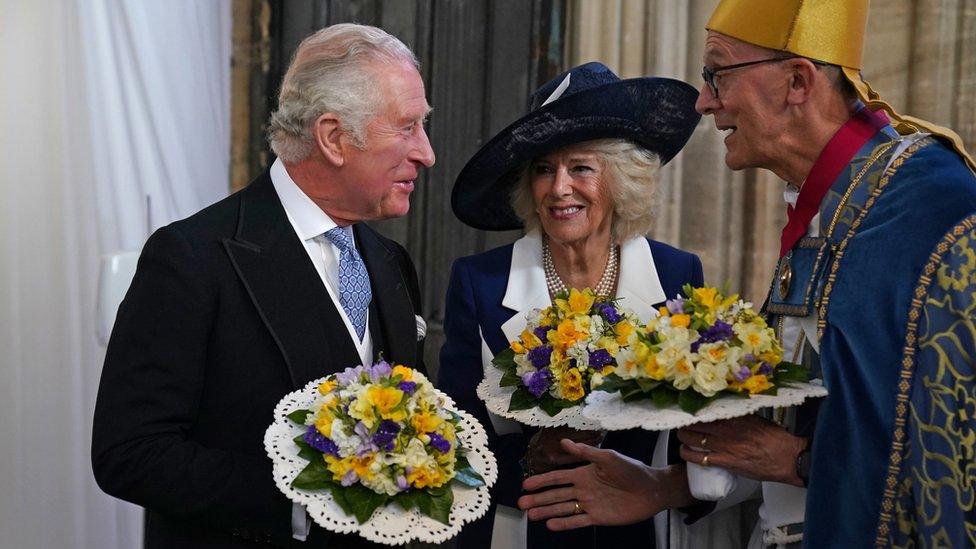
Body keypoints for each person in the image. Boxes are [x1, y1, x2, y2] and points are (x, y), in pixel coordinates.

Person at [519, 1, 976, 547]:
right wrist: (663, 488)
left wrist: (802, 462)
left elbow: (953, 452)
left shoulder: (935, 212)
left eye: (717, 74)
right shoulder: (837, 202)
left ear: (798, 81)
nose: (704, 100)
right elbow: (808, 419)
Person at [91, 24, 435, 548]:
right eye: (407, 128)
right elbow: (131, 451)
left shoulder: (390, 261)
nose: (426, 153)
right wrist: (308, 502)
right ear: (333, 138)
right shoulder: (192, 257)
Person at [438, 62, 704, 549]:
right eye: (543, 169)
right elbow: (455, 437)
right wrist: (528, 459)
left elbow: (695, 432)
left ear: (621, 180)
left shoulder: (678, 276)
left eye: (580, 167)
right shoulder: (480, 282)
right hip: (520, 524)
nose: (559, 188)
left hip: (639, 532)